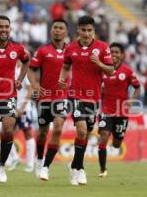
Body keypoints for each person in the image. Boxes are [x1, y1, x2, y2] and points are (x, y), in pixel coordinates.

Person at [58, 15, 114, 185]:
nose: (87, 33)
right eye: (84, 30)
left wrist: (99, 63)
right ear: (78, 30)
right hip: (75, 95)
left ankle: (74, 165)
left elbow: (111, 70)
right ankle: (80, 168)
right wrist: (62, 79)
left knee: (85, 133)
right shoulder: (71, 48)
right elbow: (66, 66)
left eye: (90, 30)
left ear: (93, 31)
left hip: (93, 97)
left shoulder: (102, 48)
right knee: (82, 131)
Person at [0, 15, 30, 186]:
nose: (4, 30)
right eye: (0, 27)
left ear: (10, 29)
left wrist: (20, 79)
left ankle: (1, 165)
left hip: (9, 95)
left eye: (6, 27)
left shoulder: (17, 48)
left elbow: (27, 60)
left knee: (8, 129)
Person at [27, 19, 69, 181]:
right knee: (43, 132)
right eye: (55, 28)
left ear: (65, 32)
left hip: (62, 96)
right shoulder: (43, 50)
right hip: (45, 97)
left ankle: (45, 167)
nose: (57, 30)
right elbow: (31, 70)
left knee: (58, 128)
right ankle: (39, 160)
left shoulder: (71, 51)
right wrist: (36, 86)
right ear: (51, 31)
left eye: (61, 28)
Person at [98, 42, 141, 177]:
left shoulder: (127, 71)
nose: (114, 54)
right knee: (103, 136)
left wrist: (132, 100)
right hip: (106, 110)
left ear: (122, 55)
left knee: (117, 144)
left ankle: (116, 138)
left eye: (117, 52)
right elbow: (96, 86)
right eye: (112, 52)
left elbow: (137, 87)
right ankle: (103, 170)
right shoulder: (102, 70)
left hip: (121, 112)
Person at [6, 61, 35, 173]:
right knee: (6, 132)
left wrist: (22, 107)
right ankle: (14, 158)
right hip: (11, 107)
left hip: (24, 109)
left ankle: (30, 163)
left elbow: (29, 90)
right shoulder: (8, 71)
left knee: (27, 132)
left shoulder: (23, 71)